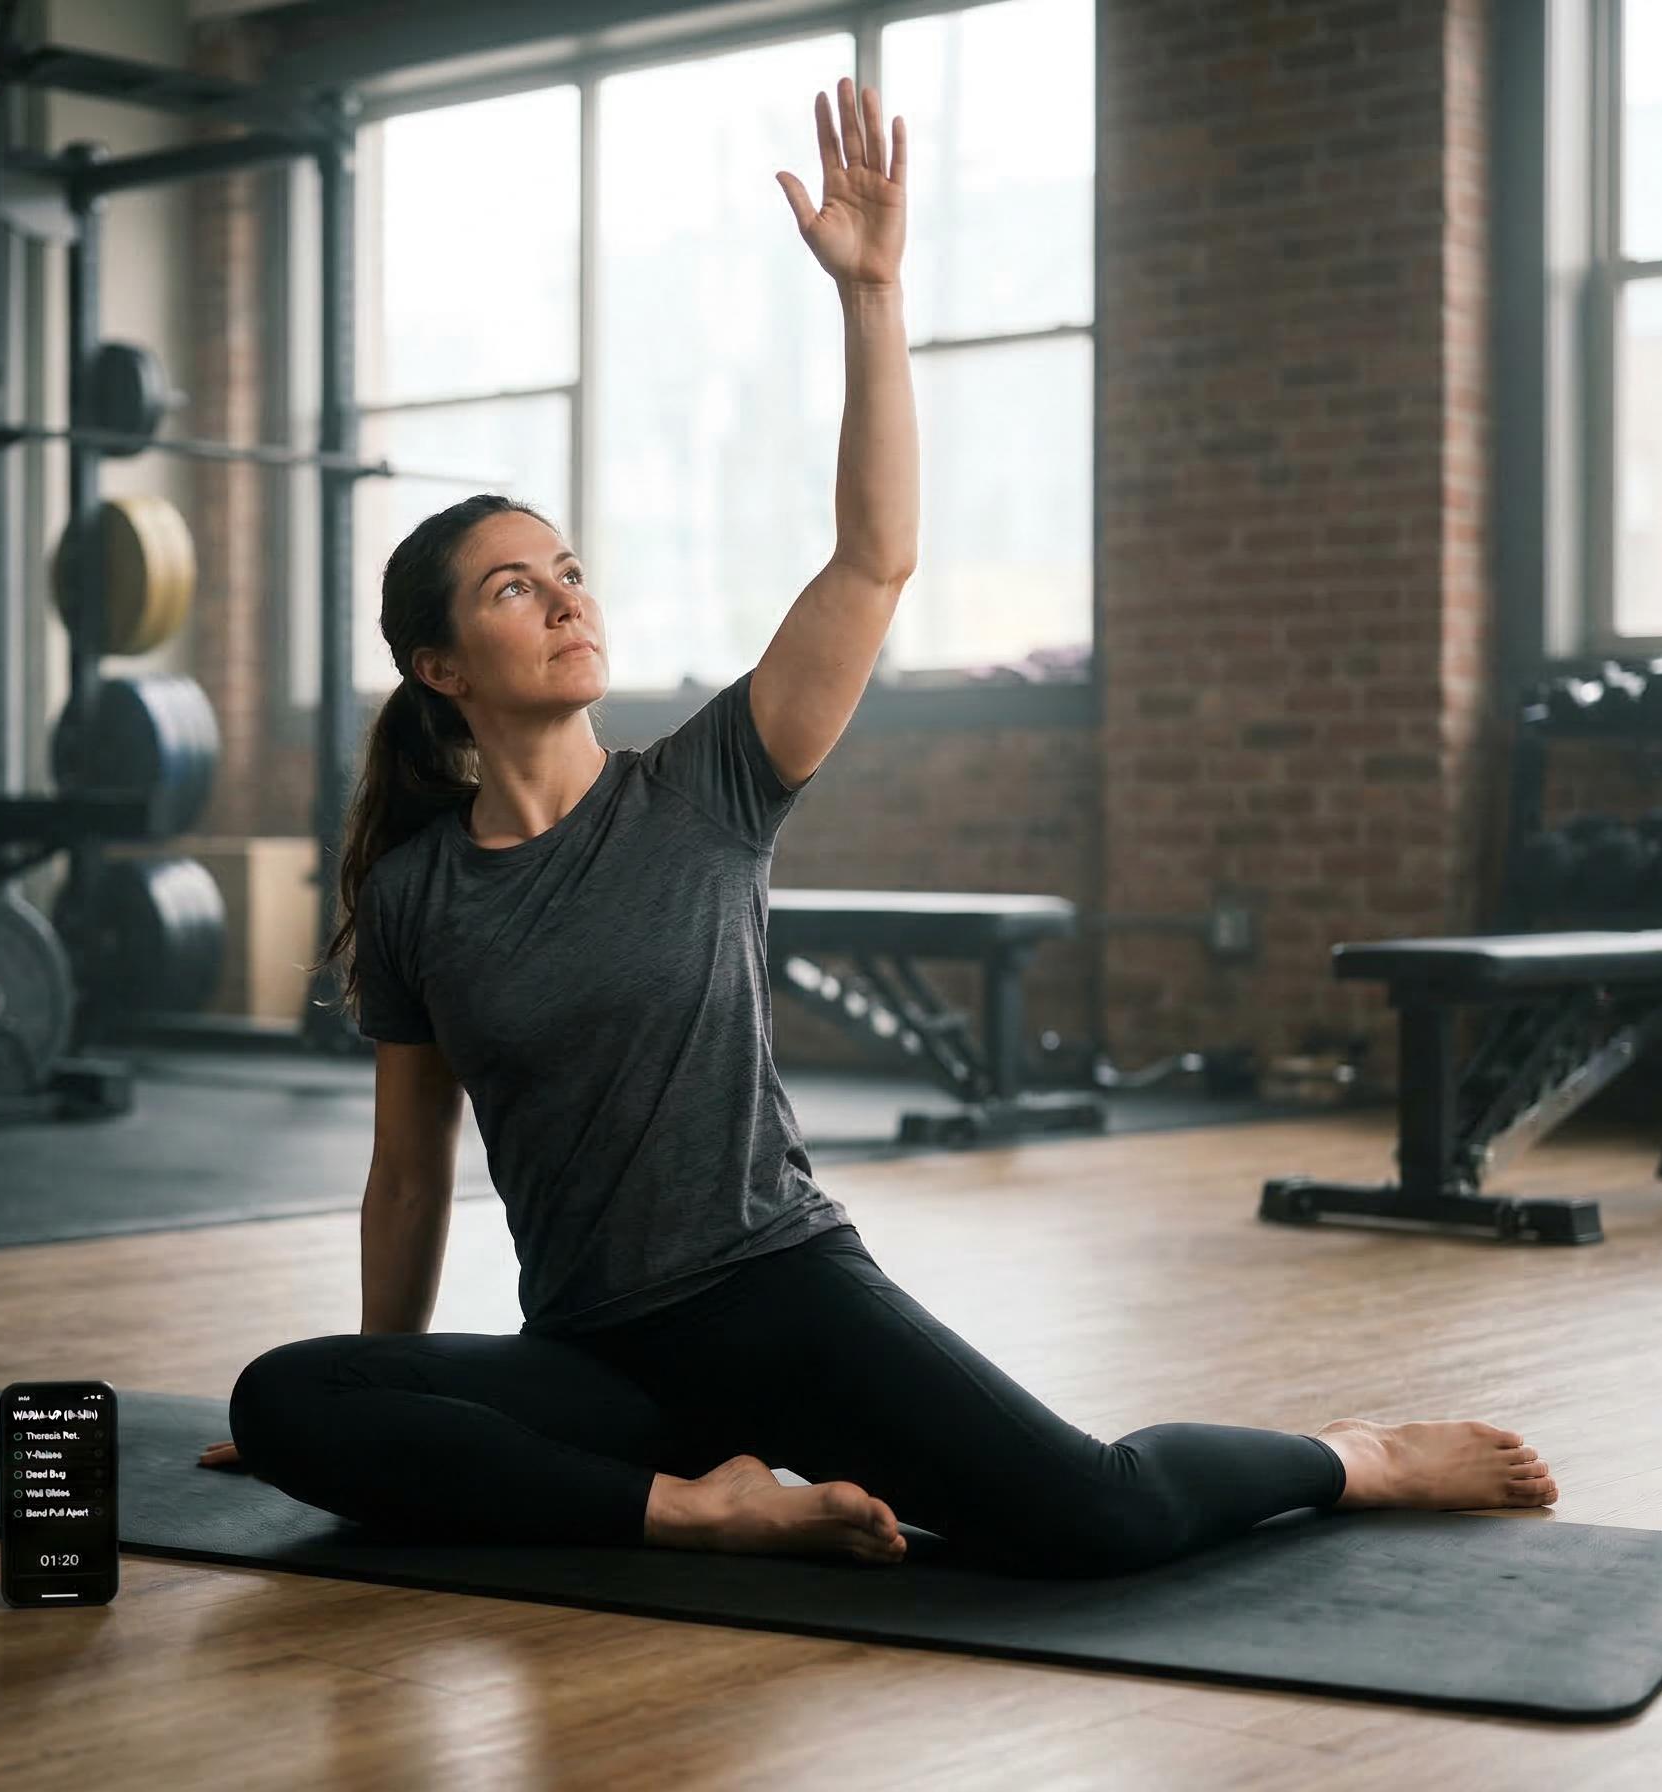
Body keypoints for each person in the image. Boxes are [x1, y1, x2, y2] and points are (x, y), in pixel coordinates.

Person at [197, 77, 1556, 1575]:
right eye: (516, 589)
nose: (568, 599)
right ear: (442, 668)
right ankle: (708, 1509)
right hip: (592, 1355)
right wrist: (387, 1393)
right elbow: (408, 1172)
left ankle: (1354, 1458)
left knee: (1099, 1516)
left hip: (780, 1299)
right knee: (283, 1399)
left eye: (570, 570)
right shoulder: (418, 895)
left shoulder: (704, 787)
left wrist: (872, 296)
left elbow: (873, 558)